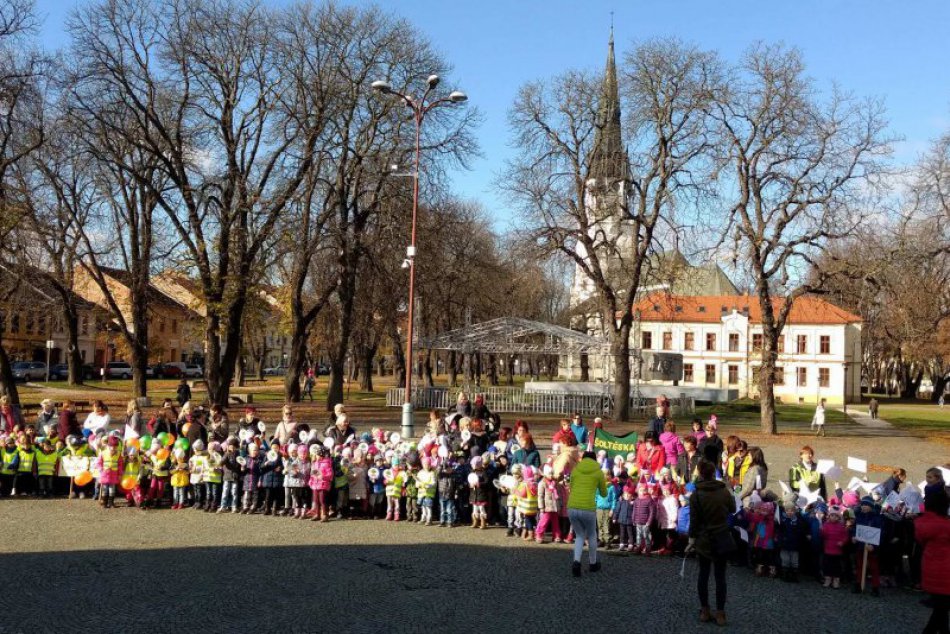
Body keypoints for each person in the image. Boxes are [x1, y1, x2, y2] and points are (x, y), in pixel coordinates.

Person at [689, 459, 735, 627]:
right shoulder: (723, 492)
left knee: (703, 574)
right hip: (722, 536)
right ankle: (720, 612)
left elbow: (694, 522)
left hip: (704, 539)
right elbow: (733, 509)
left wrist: (691, 539)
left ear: (701, 474)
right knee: (720, 577)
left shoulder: (696, 495)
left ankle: (705, 610)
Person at [566, 450, 607, 577]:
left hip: (572, 506)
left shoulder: (575, 470)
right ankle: (593, 563)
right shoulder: (598, 472)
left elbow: (571, 487)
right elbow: (604, 493)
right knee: (591, 534)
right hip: (588, 507)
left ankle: (576, 562)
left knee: (579, 535)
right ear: (595, 460)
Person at [916, 486, 950, 634]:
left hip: (931, 568)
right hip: (946, 571)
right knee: (942, 609)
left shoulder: (924, 523)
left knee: (941, 608)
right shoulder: (945, 526)